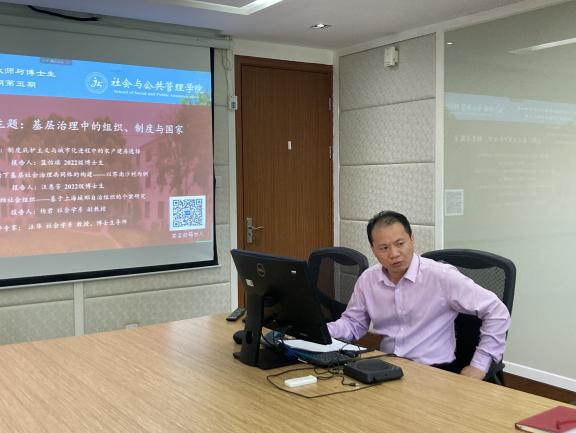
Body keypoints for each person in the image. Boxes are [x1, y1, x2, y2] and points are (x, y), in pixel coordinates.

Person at [327, 210, 511, 380]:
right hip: (386, 367)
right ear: (373, 249)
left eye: (400, 244)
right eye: (384, 248)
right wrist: (321, 331)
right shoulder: (368, 280)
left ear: (412, 240)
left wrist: (479, 365)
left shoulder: (441, 276)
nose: (394, 254)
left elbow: (497, 311)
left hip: (433, 372)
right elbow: (353, 324)